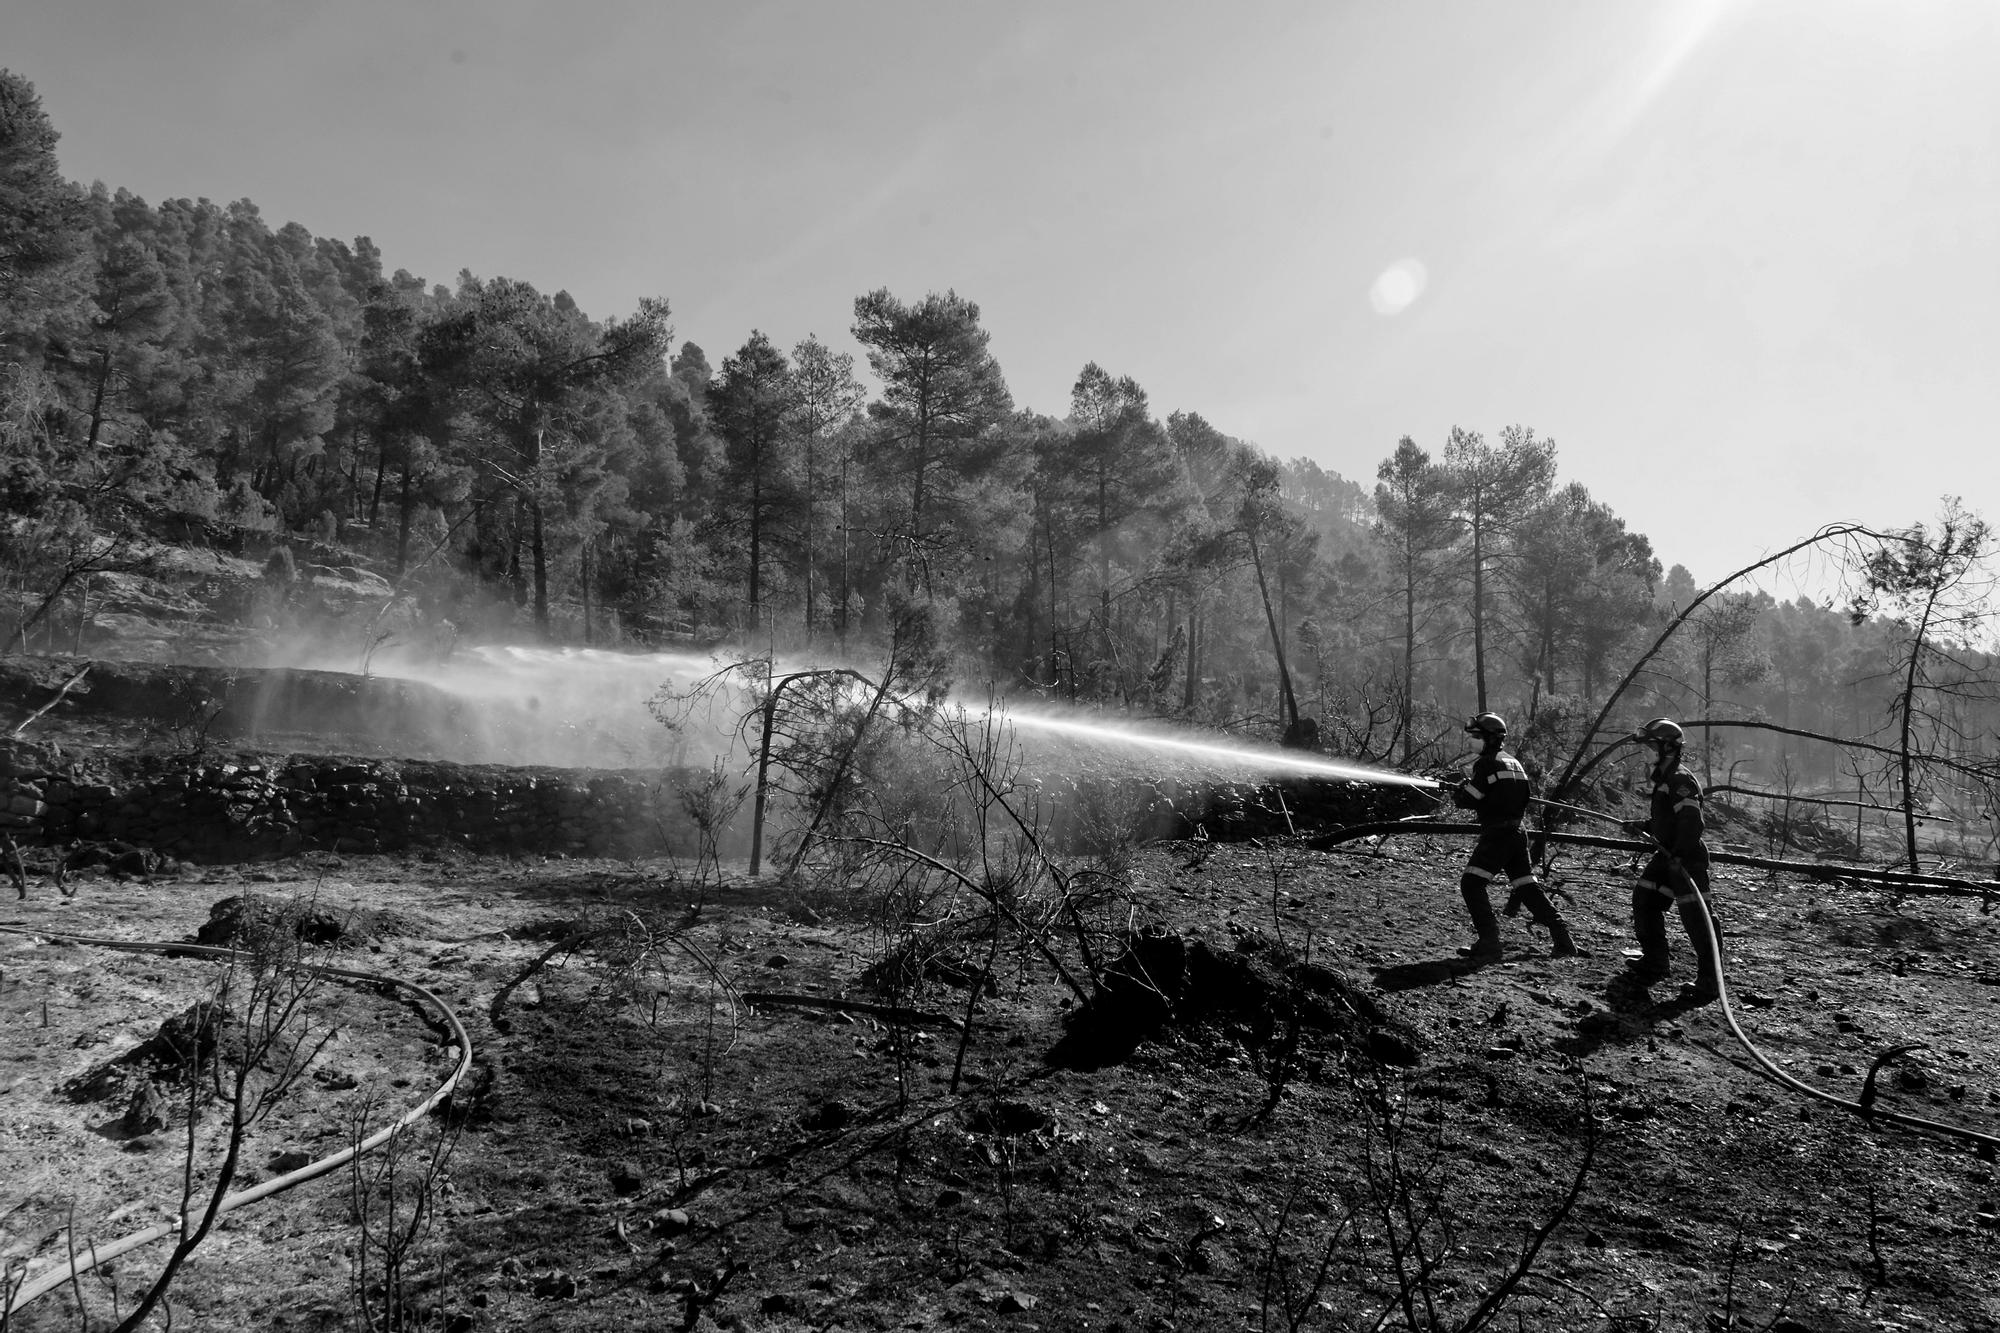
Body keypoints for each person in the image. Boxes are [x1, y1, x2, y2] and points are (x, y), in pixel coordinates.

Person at [1450, 712, 1576, 963]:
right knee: (1527, 886)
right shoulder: (1513, 762)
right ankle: (1563, 939)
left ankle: (1490, 942)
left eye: (1476, 736)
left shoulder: (1485, 763)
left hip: (1498, 834)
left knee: (1472, 884)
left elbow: (1470, 799)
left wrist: (1458, 792)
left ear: (1490, 739)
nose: (1472, 741)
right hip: (1518, 834)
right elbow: (1521, 798)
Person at [1621, 717, 1722, 1003]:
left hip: (1685, 859)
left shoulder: (1680, 780)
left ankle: (1710, 981)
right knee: (1645, 898)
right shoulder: (1665, 779)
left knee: (1697, 918)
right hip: (1667, 856)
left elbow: (1691, 821)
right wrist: (1640, 825)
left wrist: (1679, 854)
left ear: (1667, 748)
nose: (1646, 752)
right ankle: (1655, 962)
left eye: (1651, 746)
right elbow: (1666, 822)